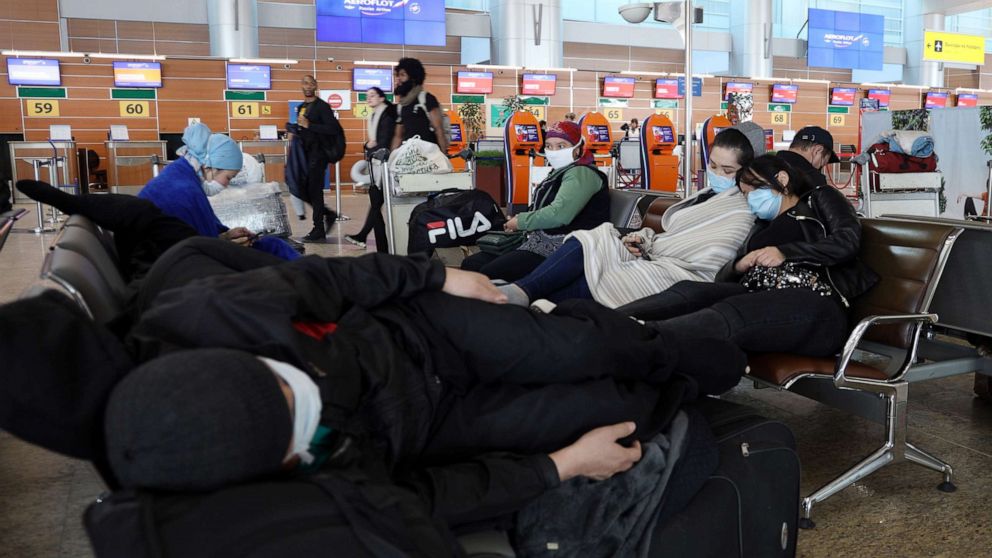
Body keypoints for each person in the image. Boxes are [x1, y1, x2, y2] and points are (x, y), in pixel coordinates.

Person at [0, 237, 745, 529]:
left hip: (420, 332)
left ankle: (700, 354)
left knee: (584, 344)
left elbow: (330, 276)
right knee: (605, 410)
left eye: (290, 384)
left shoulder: (211, 311)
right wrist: (561, 465)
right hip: (424, 429)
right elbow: (418, 499)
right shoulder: (212, 459)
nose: (312, 404)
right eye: (301, 423)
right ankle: (682, 394)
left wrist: (436, 274)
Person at [622, 154, 879, 358]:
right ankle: (611, 321)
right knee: (691, 291)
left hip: (816, 306)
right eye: (745, 195)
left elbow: (847, 241)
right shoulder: (760, 224)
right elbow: (722, 279)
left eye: (755, 190)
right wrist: (738, 265)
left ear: (782, 179)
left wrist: (785, 252)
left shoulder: (821, 198)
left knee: (734, 311)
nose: (751, 200)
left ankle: (636, 339)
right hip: (761, 299)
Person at [497, 128, 757, 309]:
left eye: (727, 170)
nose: (717, 173)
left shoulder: (741, 209)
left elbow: (713, 253)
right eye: (712, 165)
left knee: (606, 275)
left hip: (679, 273)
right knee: (594, 238)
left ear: (745, 172)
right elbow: (673, 235)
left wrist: (652, 247)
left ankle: (528, 300)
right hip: (655, 256)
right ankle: (525, 292)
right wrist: (642, 239)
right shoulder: (705, 194)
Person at [461, 120, 611, 281]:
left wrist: (522, 222)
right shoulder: (561, 172)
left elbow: (559, 214)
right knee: (472, 264)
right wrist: (519, 220)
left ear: (578, 148)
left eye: (561, 146)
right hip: (538, 241)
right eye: (549, 146)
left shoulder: (581, 173)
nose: (554, 151)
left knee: (488, 273)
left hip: (566, 247)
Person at [290, 75, 343, 243]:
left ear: (315, 86)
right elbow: (304, 129)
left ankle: (318, 228)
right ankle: (328, 214)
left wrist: (309, 125)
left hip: (318, 156)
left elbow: (333, 129)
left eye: (310, 83)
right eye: (304, 83)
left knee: (315, 192)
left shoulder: (322, 107)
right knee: (302, 188)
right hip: (305, 155)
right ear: (301, 86)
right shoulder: (301, 108)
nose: (307, 86)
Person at [345, 87, 396, 252]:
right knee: (375, 205)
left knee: (376, 204)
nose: (369, 98)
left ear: (382, 98)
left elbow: (385, 140)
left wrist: (371, 146)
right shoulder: (374, 115)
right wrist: (368, 146)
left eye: (372, 95)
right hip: (376, 166)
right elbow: (371, 142)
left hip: (387, 166)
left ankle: (363, 236)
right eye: (367, 96)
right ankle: (380, 247)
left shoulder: (387, 114)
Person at [391, 57, 448, 152]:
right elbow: (398, 136)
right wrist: (390, 159)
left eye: (403, 75)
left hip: (429, 154)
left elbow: (439, 129)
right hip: (409, 155)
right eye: (398, 75)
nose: (398, 79)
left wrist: (443, 155)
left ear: (413, 78)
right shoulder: (402, 105)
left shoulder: (426, 99)